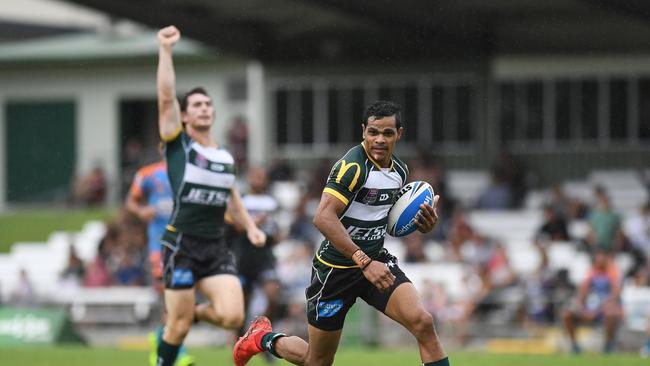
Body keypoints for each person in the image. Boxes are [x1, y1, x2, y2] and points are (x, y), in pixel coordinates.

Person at [233, 100, 450, 366]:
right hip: (335, 270)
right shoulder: (352, 167)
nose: (379, 139)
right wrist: (364, 261)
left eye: (387, 133)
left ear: (399, 134)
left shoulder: (400, 171)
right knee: (318, 360)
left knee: (423, 322)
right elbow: (323, 217)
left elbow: (387, 220)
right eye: (373, 132)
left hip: (375, 262)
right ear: (363, 131)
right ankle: (263, 338)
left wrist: (425, 225)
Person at [155, 25, 266, 366]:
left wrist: (249, 226)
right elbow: (165, 96)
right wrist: (166, 51)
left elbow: (231, 195)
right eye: (196, 105)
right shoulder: (179, 145)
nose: (204, 108)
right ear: (185, 115)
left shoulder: (225, 157)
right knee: (177, 326)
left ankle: (195, 315)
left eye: (208, 104)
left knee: (233, 317)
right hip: (181, 244)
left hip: (215, 245)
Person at [125, 151, 194, 366]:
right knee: (171, 296)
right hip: (160, 246)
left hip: (187, 246)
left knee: (180, 300)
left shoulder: (191, 173)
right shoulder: (148, 174)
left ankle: (160, 339)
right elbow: (131, 202)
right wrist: (142, 210)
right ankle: (177, 351)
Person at [227, 166, 282, 325]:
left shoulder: (272, 202)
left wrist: (276, 235)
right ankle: (239, 340)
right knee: (243, 301)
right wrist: (253, 223)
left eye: (261, 176)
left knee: (272, 295)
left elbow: (277, 231)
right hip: (243, 256)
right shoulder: (241, 200)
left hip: (265, 257)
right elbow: (233, 227)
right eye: (255, 176)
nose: (259, 180)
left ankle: (261, 332)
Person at [562, 249, 622, 354]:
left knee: (610, 314)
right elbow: (582, 293)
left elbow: (614, 294)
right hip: (591, 307)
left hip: (604, 309)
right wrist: (583, 309)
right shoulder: (591, 272)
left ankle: (608, 346)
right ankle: (575, 345)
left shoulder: (612, 272)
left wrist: (597, 311)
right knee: (567, 314)